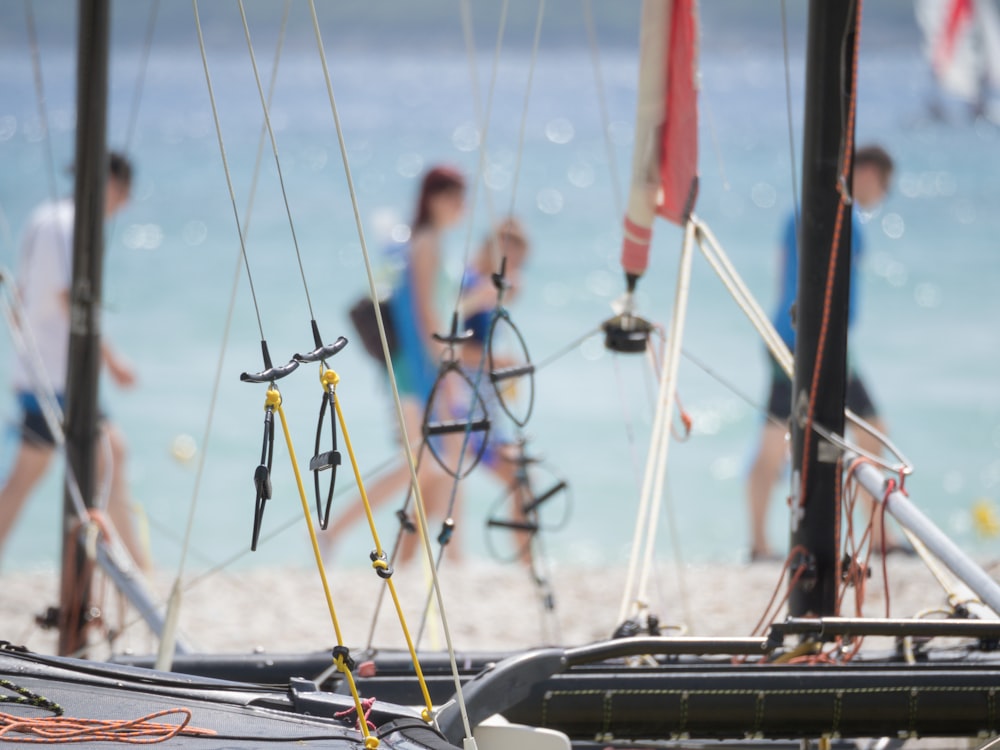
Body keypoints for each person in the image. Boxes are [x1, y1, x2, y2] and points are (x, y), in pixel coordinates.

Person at [325, 214, 534, 564]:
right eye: (508, 259)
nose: (512, 269)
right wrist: (495, 362)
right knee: (436, 479)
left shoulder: (478, 285)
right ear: (490, 250)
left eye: (518, 263)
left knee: (432, 485)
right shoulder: (467, 285)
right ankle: (516, 564)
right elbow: (443, 342)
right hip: (461, 403)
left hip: (468, 403)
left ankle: (413, 562)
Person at [746, 144, 901, 563]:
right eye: (883, 185)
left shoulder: (808, 213)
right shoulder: (836, 215)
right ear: (867, 173)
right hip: (811, 342)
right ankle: (877, 537)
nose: (882, 195)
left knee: (779, 435)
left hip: (793, 336)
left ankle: (760, 543)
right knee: (866, 427)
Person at [0, 151, 150, 572]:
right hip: (57, 379)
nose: (121, 205)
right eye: (122, 195)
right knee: (109, 461)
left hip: (41, 373)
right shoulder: (69, 225)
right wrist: (114, 362)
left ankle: (134, 570)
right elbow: (70, 300)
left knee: (33, 478)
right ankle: (135, 573)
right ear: (109, 185)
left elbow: (24, 296)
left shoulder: (44, 217)